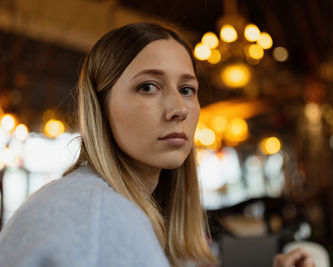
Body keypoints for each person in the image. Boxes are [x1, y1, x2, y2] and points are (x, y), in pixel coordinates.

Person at [0, 22, 314, 267]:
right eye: (148, 86)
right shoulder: (104, 214)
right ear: (100, 105)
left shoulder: (103, 201)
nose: (179, 108)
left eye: (187, 89)